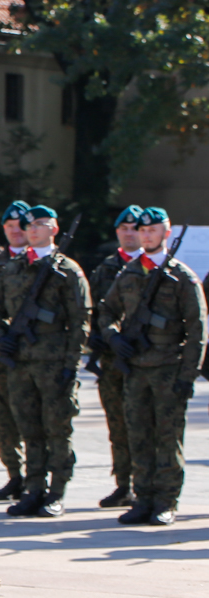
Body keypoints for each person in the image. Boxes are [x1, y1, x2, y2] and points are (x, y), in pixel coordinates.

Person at [99, 207, 206, 526]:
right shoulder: (129, 274)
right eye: (142, 231)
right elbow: (106, 312)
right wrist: (113, 337)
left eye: (152, 230)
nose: (146, 235)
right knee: (138, 436)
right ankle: (142, 498)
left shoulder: (182, 277)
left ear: (166, 233)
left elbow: (198, 329)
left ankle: (165, 501)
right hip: (134, 371)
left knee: (167, 438)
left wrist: (188, 376)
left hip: (168, 370)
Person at [0, 205, 90, 517]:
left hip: (54, 362)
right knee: (29, 429)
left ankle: (56, 491)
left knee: (57, 429)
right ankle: (33, 489)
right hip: (20, 362)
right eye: (29, 224)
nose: (33, 229)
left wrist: (70, 364)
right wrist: (0, 335)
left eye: (41, 224)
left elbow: (80, 320)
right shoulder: (13, 268)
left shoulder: (68, 270)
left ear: (55, 229)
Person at [88, 207, 143, 507]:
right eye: (123, 228)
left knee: (145, 425)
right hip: (112, 359)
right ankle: (124, 484)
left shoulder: (155, 267)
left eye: (135, 228)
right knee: (118, 426)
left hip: (146, 360)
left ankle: (149, 487)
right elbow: (95, 310)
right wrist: (98, 336)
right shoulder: (106, 268)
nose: (129, 232)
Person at [0, 201, 32, 501]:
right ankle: (15, 474)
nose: (16, 231)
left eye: (21, 225)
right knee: (3, 416)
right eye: (10, 226)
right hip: (1, 352)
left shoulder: (45, 263)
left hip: (34, 355)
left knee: (32, 416)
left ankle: (37, 478)